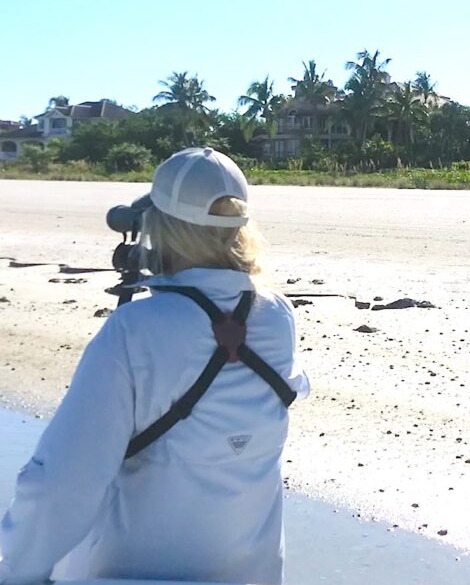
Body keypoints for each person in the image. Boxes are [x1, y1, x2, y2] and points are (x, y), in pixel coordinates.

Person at [0, 147, 309, 584]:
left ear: (159, 225)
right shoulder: (276, 317)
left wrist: (17, 571)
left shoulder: (135, 331)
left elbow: (62, 483)